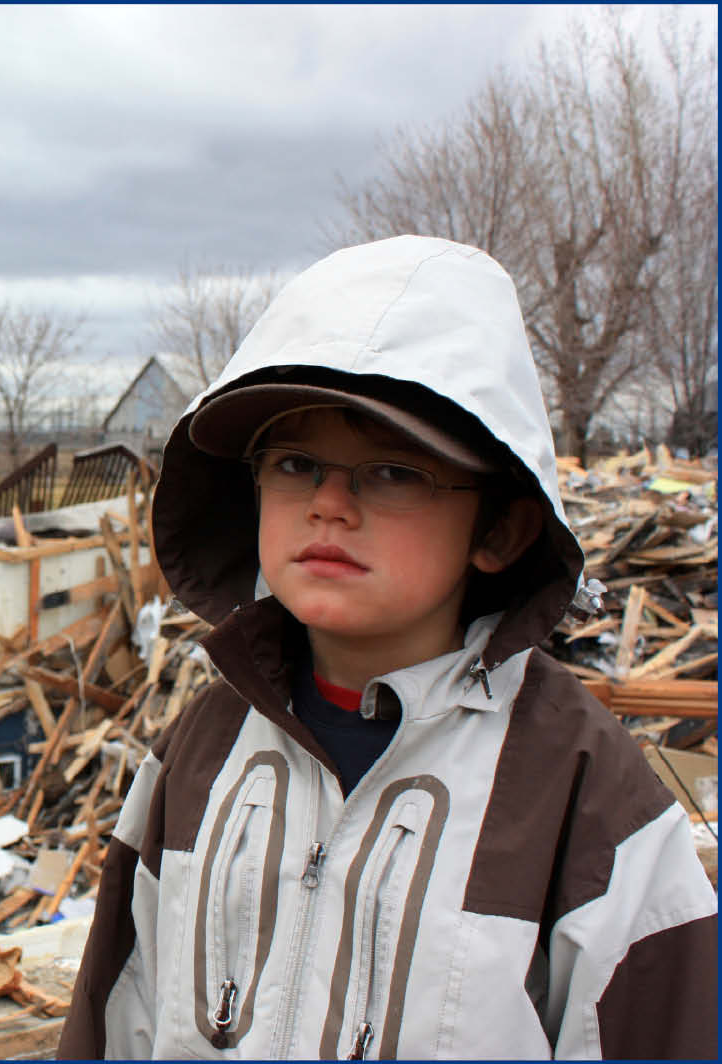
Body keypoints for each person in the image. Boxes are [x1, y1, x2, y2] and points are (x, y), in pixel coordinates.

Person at [57, 236, 717, 1059]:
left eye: (395, 472)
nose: (329, 503)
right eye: (296, 462)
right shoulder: (201, 749)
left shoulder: (582, 793)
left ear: (501, 529)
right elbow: (118, 1018)